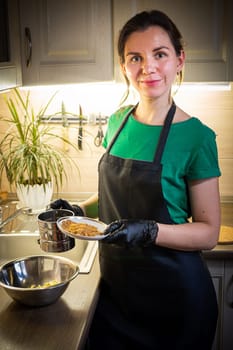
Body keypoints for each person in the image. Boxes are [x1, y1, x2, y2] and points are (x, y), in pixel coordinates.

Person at [78, 9, 221, 350]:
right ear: (123, 65)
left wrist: (151, 230)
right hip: (116, 298)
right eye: (135, 58)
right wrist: (77, 209)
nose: (148, 68)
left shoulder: (197, 137)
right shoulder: (117, 122)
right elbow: (116, 196)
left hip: (175, 304)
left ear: (179, 60)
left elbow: (208, 231)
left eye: (160, 54)